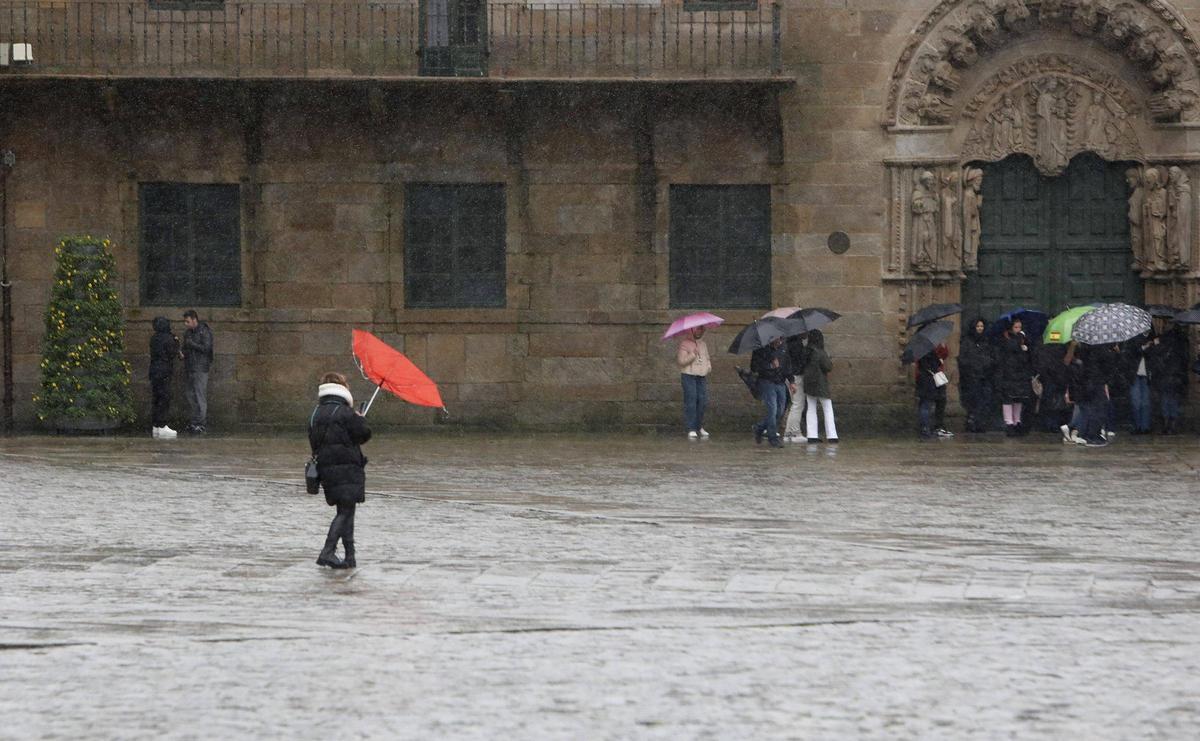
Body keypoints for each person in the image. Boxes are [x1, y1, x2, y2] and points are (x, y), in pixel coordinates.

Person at [309, 372, 372, 569]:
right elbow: (364, 435)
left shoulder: (316, 413)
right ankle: (327, 552)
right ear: (343, 388)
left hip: (326, 468)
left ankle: (350, 557)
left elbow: (313, 440)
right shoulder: (346, 413)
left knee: (345, 510)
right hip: (347, 468)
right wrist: (361, 419)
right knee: (345, 512)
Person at [750, 336, 794, 449]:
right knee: (772, 410)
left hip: (780, 382)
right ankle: (772, 438)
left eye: (780, 339)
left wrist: (791, 381)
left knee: (780, 411)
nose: (779, 341)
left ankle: (759, 427)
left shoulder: (783, 347)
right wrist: (770, 364)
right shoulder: (761, 349)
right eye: (776, 339)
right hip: (767, 381)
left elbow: (787, 365)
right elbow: (754, 367)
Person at [1147, 320, 1189, 434]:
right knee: (1173, 400)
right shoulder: (1182, 339)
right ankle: (1172, 425)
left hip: (1165, 374)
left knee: (1165, 399)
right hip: (1177, 374)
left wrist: (1155, 345)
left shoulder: (1162, 339)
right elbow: (1185, 358)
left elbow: (1155, 355)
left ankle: (1166, 426)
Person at [800, 329, 838, 444]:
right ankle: (832, 435)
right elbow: (828, 367)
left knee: (811, 408)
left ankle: (812, 435)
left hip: (808, 383)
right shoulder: (820, 352)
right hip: (820, 383)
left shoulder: (806, 351)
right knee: (827, 408)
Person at [997, 318, 1033, 436]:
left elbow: (1028, 355)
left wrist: (1025, 346)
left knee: (1019, 397)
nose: (1018, 330)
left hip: (1020, 372)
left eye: (1020, 327)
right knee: (1008, 397)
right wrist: (1019, 341)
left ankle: (1017, 421)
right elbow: (1010, 348)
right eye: (1016, 327)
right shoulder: (1006, 338)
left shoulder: (1023, 339)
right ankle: (1009, 422)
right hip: (1008, 372)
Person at [957, 318, 994, 433]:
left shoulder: (987, 341)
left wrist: (987, 363)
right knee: (972, 401)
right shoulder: (967, 342)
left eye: (981, 326)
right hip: (971, 377)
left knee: (984, 400)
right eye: (978, 326)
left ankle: (981, 423)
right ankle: (971, 422)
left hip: (985, 376)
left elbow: (992, 356)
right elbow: (963, 359)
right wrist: (972, 366)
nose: (980, 328)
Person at [676, 325, 712, 440]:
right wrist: (693, 354)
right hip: (689, 376)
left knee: (702, 401)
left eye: (701, 329)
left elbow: (707, 358)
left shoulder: (703, 344)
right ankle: (691, 428)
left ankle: (699, 426)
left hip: (701, 376)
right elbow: (681, 361)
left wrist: (708, 367)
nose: (699, 331)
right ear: (692, 330)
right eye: (697, 329)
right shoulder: (684, 344)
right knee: (691, 401)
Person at [181, 309, 214, 434]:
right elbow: (185, 347)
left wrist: (192, 344)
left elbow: (207, 348)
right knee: (190, 395)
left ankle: (201, 423)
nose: (186, 324)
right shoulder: (188, 333)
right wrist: (182, 353)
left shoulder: (204, 331)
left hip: (200, 367)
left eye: (188, 321)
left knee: (200, 395)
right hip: (190, 367)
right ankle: (194, 421)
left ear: (195, 320)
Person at [149, 316, 179, 439]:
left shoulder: (154, 338)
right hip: (164, 370)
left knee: (156, 398)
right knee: (164, 398)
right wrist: (176, 341)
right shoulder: (168, 338)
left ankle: (156, 425)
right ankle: (162, 425)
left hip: (154, 370)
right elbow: (172, 353)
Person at [916, 343, 952, 439]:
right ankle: (926, 428)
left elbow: (944, 355)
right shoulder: (927, 350)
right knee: (926, 404)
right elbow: (935, 363)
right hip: (929, 379)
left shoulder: (920, 348)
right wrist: (938, 360)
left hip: (925, 379)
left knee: (927, 403)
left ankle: (927, 427)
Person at [782, 333, 807, 442]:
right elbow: (800, 362)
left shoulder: (788, 343)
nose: (807, 333)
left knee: (794, 404)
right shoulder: (796, 344)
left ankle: (788, 433)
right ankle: (795, 432)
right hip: (796, 376)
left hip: (790, 376)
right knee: (798, 404)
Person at [1130, 333, 1154, 434]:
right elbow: (1131, 354)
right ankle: (1137, 426)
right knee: (1136, 402)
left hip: (1146, 375)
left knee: (1145, 402)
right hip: (1135, 375)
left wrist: (1149, 347)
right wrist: (1143, 348)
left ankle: (1145, 426)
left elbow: (1153, 356)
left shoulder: (1151, 340)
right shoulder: (1132, 340)